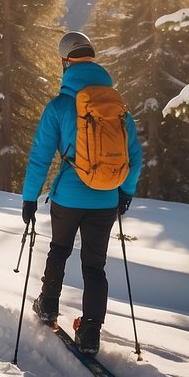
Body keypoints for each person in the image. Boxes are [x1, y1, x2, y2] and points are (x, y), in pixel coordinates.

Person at [20, 31, 142, 355]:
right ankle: (90, 332)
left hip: (69, 197)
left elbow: (40, 157)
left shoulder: (60, 106)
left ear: (65, 62)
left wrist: (29, 198)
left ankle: (47, 306)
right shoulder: (117, 108)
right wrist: (125, 193)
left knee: (59, 249)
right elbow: (135, 155)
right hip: (106, 198)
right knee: (94, 266)